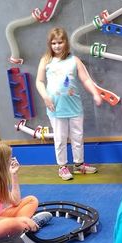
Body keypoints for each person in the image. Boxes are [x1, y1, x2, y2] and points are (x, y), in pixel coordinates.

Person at [36, 27, 103, 181]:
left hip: (74, 107)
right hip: (56, 108)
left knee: (77, 137)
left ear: (66, 42)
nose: (57, 46)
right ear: (49, 44)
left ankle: (79, 165)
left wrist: (95, 93)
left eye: (60, 42)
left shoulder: (74, 60)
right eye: (54, 43)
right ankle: (62, 166)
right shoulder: (46, 60)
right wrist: (45, 97)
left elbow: (86, 79)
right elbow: (39, 81)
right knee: (60, 138)